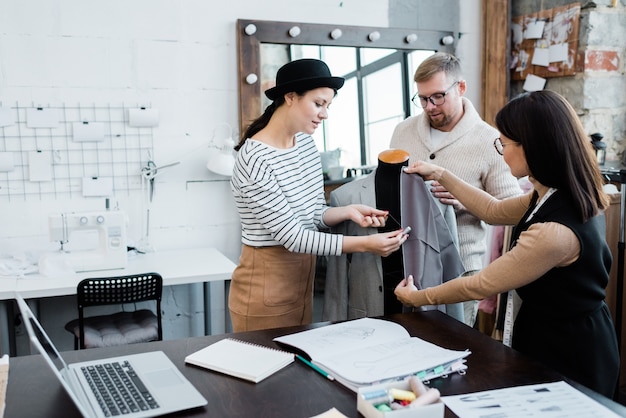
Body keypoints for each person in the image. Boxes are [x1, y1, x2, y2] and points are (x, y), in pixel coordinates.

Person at [395, 90, 619, 398]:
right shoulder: (554, 192)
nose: (501, 151)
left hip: (570, 348)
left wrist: (419, 297)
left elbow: (482, 283)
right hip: (550, 331)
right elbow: (493, 210)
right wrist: (441, 174)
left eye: (505, 143)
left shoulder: (553, 232)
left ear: (533, 147)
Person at [229, 58, 407, 332]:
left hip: (302, 278)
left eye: (328, 106)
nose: (325, 114)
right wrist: (365, 245)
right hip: (266, 283)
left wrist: (349, 211)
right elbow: (293, 238)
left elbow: (312, 213)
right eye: (318, 103)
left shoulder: (305, 144)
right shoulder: (254, 158)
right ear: (290, 97)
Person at [390, 52, 522, 326]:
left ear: (460, 88)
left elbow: (513, 208)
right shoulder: (402, 131)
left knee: (454, 345)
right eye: (423, 98)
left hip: (461, 267)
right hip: (406, 262)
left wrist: (464, 200)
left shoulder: (490, 140)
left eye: (438, 96)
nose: (429, 106)